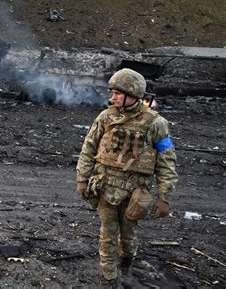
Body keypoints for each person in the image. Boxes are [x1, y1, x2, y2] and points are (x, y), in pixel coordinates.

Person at [75, 68, 178, 288]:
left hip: (135, 193)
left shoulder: (156, 124)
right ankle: (110, 279)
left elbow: (166, 161)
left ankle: (126, 265)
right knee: (107, 235)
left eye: (118, 93)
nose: (113, 98)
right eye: (113, 93)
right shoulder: (106, 117)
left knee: (129, 238)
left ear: (133, 94)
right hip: (105, 187)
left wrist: (164, 197)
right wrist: (82, 178)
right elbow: (89, 147)